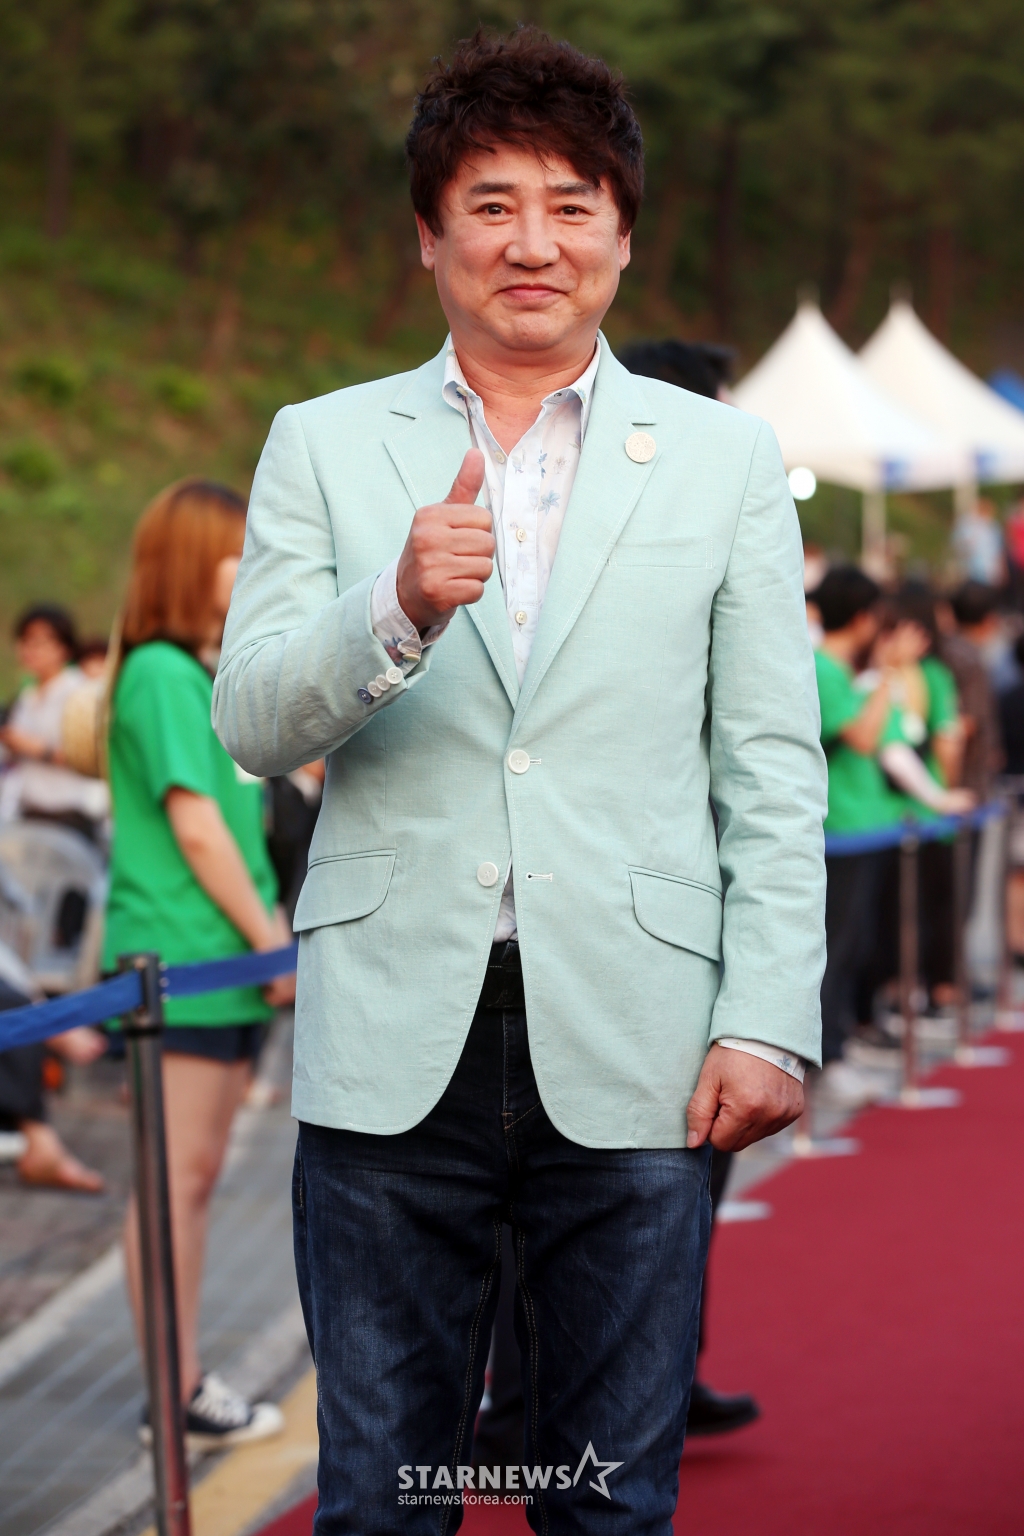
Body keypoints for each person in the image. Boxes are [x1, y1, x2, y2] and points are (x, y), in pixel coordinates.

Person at [214, 28, 826, 1532]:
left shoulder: (725, 458)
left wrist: (767, 1015)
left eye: (570, 204)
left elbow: (769, 763)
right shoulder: (324, 443)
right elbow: (252, 723)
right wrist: (393, 608)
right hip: (390, 1037)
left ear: (622, 233)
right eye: (491, 204)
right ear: (429, 236)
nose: (532, 243)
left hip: (638, 1034)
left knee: (608, 1497)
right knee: (382, 1494)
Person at [103, 478, 293, 1451]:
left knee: (191, 1178)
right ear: (190, 561)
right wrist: (269, 939)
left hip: (211, 961)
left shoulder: (191, 672)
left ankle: (179, 1383)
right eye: (235, 549)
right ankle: (172, 1392)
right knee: (172, 1183)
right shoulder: (162, 674)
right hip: (182, 961)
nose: (249, 565)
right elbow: (197, 826)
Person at [0, 605, 109, 838]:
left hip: (69, 816)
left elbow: (93, 755)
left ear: (64, 648)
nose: (30, 650)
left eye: (40, 642)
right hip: (29, 812)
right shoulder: (25, 697)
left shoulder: (79, 693)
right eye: (25, 641)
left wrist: (37, 748)